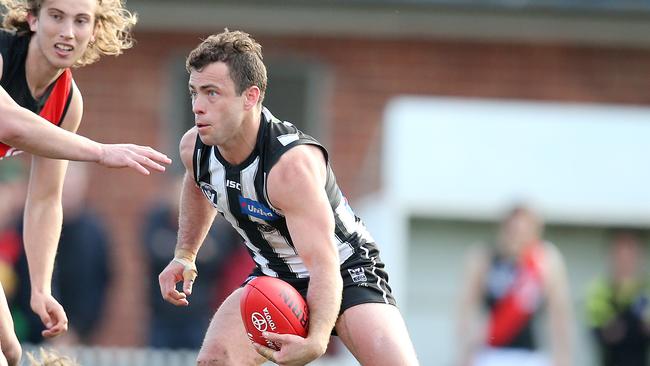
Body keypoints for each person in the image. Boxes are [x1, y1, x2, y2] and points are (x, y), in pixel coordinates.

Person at [158, 29, 419, 366]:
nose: (197, 107)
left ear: (250, 97)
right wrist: (185, 254)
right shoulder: (194, 148)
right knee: (214, 361)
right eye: (194, 92)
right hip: (275, 275)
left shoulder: (289, 167)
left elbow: (324, 263)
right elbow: (198, 187)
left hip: (346, 271)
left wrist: (317, 340)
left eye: (212, 93)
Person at [0, 0, 170, 364]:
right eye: (56, 17)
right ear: (32, 18)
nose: (67, 32)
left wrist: (41, 286)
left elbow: (45, 198)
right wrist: (99, 151)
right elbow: (9, 123)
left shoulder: (66, 102)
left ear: (94, 30)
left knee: (10, 350)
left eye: (81, 21)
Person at [457, 205, 573, 366]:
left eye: (524, 231)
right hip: (491, 355)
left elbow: (559, 314)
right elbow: (467, 308)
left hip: (530, 356)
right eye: (513, 231)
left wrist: (563, 357)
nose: (518, 237)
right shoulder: (484, 258)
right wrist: (465, 352)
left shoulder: (544, 261)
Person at [143, 174, 241, 349]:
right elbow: (153, 251)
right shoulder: (156, 219)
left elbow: (218, 258)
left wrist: (179, 252)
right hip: (162, 316)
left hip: (200, 314)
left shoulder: (214, 225)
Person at [586, 229, 650, 366]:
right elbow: (598, 330)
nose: (625, 263)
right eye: (621, 257)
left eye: (630, 258)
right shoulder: (600, 290)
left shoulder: (645, 289)